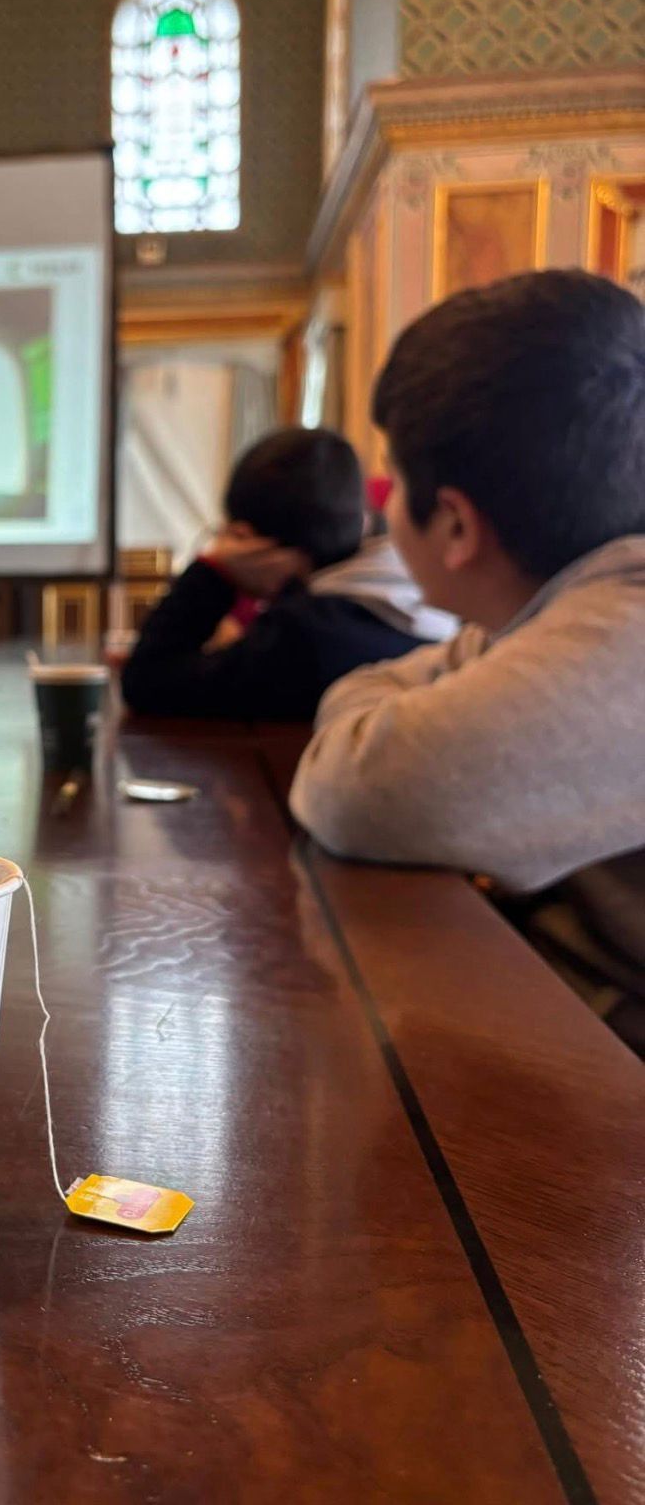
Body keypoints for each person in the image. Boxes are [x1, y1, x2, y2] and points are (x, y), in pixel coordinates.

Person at [290, 270, 645, 1038]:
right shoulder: (559, 609)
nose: (382, 509)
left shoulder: (622, 644)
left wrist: (373, 718)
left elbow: (355, 785)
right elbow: (372, 695)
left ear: (454, 524)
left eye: (392, 482)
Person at [119, 428, 454, 720]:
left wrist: (213, 571)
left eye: (234, 538)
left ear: (249, 539)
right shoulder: (428, 595)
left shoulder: (304, 638)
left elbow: (147, 682)